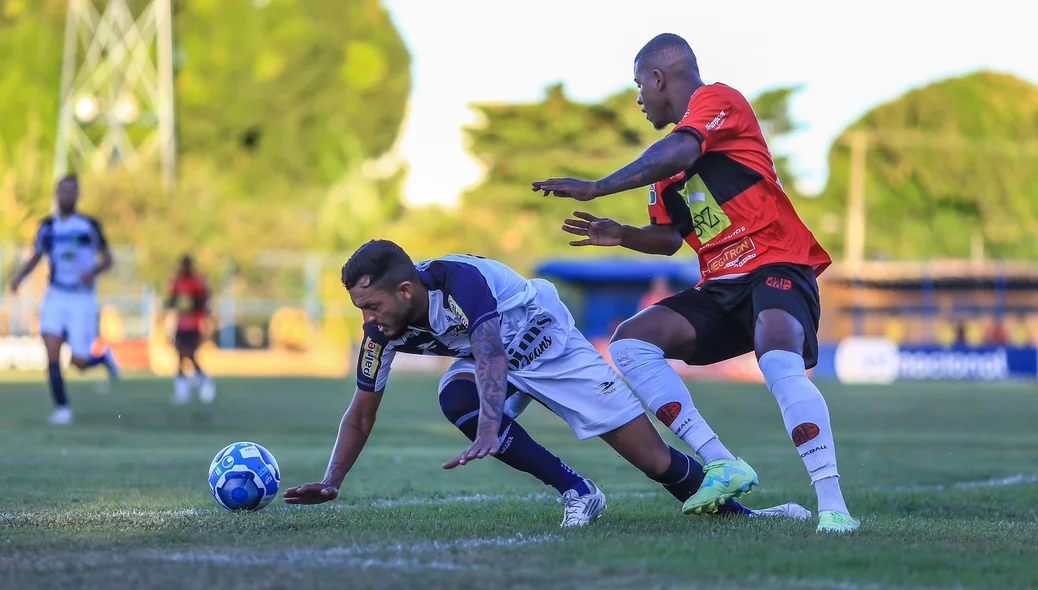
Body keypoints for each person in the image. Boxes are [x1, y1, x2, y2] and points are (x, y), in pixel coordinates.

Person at [531, 33, 858, 532]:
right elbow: (667, 241)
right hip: (721, 287)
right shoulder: (665, 167)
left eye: (641, 85)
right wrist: (621, 235)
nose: (639, 99)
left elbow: (682, 151)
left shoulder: (717, 102)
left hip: (776, 265)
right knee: (630, 344)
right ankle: (722, 461)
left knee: (776, 356)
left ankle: (834, 508)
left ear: (660, 78)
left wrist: (597, 187)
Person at [283, 240, 812, 526]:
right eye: (360, 307)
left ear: (405, 289)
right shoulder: (381, 331)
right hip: (491, 361)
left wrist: (492, 424)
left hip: (548, 346)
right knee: (456, 396)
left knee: (654, 461)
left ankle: (743, 516)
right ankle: (579, 492)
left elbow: (490, 346)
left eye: (371, 305)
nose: (367, 319)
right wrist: (333, 480)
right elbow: (361, 411)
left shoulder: (459, 279)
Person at [7, 174, 120, 425]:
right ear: (56, 194)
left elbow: (108, 259)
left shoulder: (89, 226)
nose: (67, 195)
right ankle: (62, 408)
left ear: (77, 195)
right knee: (51, 348)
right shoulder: (47, 227)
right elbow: (36, 257)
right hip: (56, 294)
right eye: (63, 190)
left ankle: (103, 358)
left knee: (79, 361)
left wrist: (92, 272)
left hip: (82, 298)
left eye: (71, 191)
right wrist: (18, 278)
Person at [166, 255, 215, 405]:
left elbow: (204, 300)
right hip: (181, 324)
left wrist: (195, 307)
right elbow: (171, 300)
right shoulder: (177, 282)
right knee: (181, 355)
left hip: (194, 324)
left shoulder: (197, 282)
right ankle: (183, 390)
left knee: (190, 354)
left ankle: (204, 380)